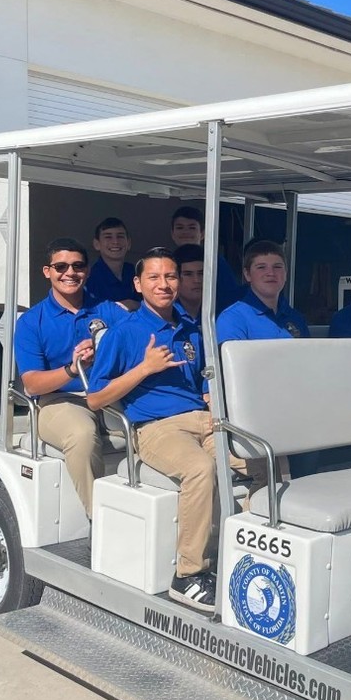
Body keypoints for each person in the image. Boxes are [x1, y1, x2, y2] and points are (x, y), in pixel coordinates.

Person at [87, 247, 219, 610]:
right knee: (200, 469)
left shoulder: (191, 327)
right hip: (154, 428)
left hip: (201, 420)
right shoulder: (124, 332)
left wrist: (211, 399)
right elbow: (95, 399)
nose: (164, 284)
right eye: (154, 278)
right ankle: (188, 574)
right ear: (138, 283)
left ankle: (235, 553)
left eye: (171, 277)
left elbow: (204, 382)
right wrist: (144, 369)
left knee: (258, 461)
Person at [14, 238, 130, 520]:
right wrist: (72, 368)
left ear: (87, 271)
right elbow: (32, 384)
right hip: (58, 401)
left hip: (110, 394)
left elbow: (135, 345)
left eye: (78, 266)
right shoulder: (31, 321)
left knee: (157, 424)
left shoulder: (108, 309)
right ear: (47, 271)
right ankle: (98, 519)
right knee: (81, 436)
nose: (70, 273)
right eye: (61, 266)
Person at [216, 240, 310, 342]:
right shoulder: (233, 318)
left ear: (286, 273)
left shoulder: (296, 318)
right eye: (261, 267)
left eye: (277, 267)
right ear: (247, 274)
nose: (271, 273)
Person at [170, 206, 241, 314]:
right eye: (180, 228)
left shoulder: (216, 262)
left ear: (202, 233)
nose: (185, 232)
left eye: (192, 227)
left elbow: (229, 296)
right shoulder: (166, 262)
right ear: (173, 233)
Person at [85, 217, 140, 310]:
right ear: (97, 244)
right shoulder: (89, 278)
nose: (115, 242)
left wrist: (133, 305)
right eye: (108, 237)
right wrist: (127, 305)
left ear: (129, 243)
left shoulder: (134, 272)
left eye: (120, 236)